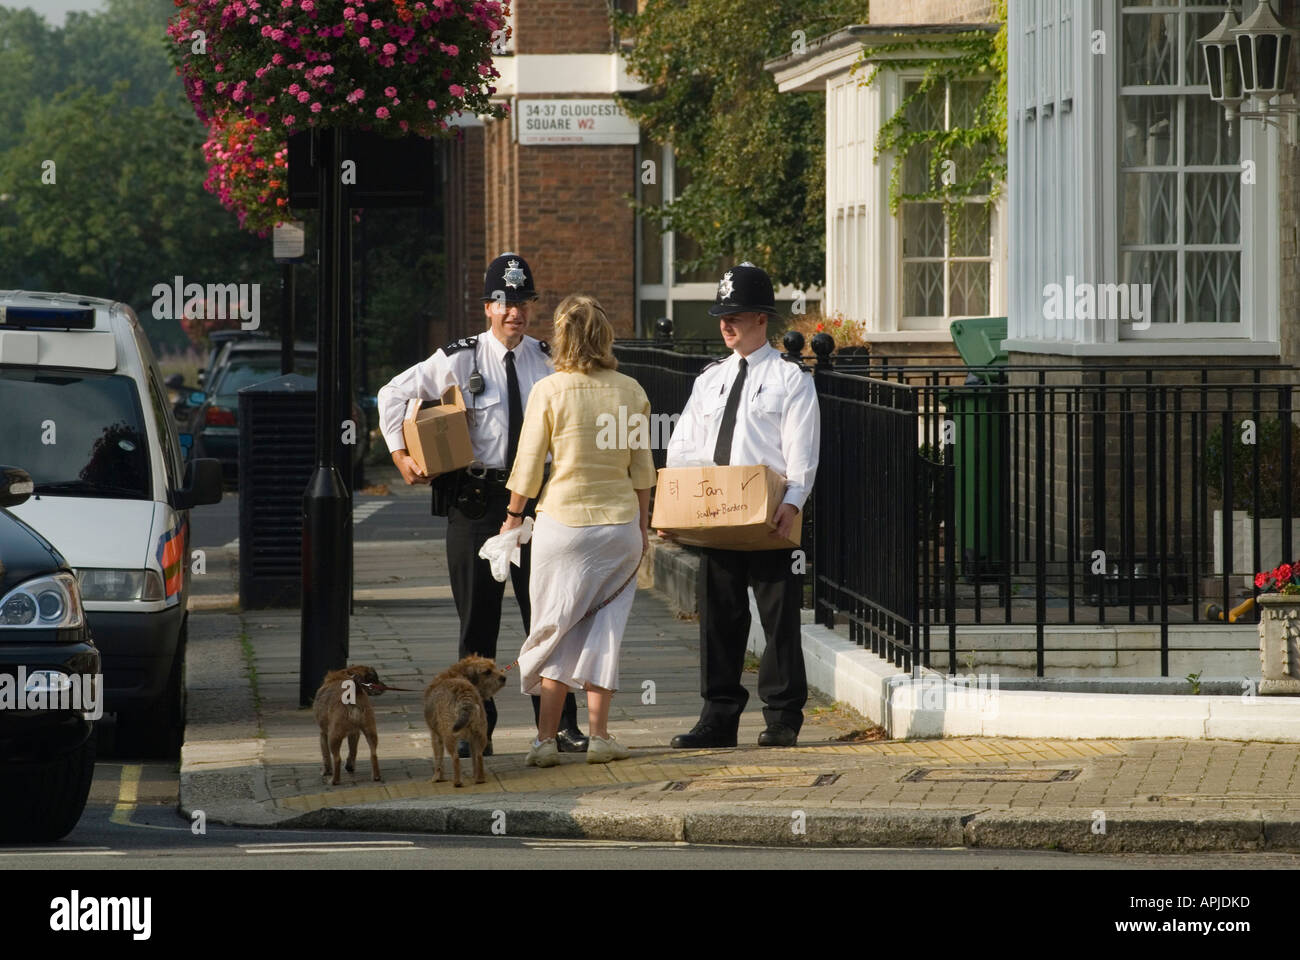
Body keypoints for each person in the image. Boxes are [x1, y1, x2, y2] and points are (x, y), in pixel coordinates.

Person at [377, 253, 588, 756]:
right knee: (478, 622)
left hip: (536, 502)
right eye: (505, 302)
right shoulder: (459, 358)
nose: (515, 311)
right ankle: (476, 729)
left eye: (523, 302)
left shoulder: (548, 359)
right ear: (488, 307)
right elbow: (391, 393)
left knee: (548, 616)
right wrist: (400, 454)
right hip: (475, 502)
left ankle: (559, 723)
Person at [663, 262, 820, 748]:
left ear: (761, 319)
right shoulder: (709, 379)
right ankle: (718, 715)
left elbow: (803, 451)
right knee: (720, 615)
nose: (725, 324)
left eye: (735, 315)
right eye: (722, 316)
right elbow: (683, 448)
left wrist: (792, 504)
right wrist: (676, 510)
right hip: (716, 512)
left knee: (779, 617)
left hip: (769, 514)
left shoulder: (791, 378)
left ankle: (782, 716)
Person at [500, 294, 657, 766]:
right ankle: (600, 736)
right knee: (603, 631)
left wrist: (512, 517)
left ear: (562, 338)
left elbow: (528, 466)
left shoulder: (548, 391)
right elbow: (642, 469)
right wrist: (643, 526)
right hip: (617, 527)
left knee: (554, 628)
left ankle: (545, 740)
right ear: (604, 336)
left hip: (561, 526)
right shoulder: (631, 390)